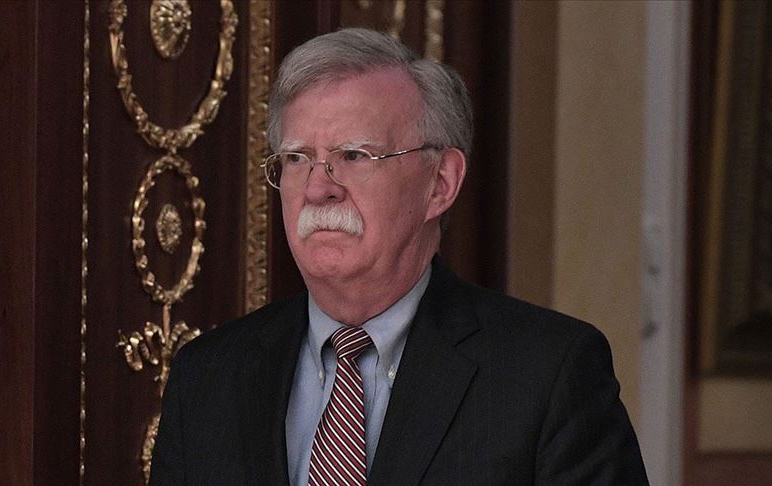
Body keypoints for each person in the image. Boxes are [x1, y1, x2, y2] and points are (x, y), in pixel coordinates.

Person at [150, 28, 648, 485]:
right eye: (297, 159)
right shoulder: (207, 379)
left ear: (441, 183)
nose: (318, 188)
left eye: (353, 156)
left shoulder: (548, 374)